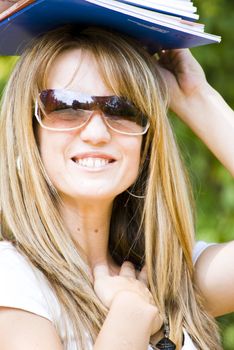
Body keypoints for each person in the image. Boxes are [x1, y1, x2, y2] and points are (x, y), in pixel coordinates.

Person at [0, 25, 228, 350]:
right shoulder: (12, 280)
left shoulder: (165, 276)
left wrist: (195, 97)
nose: (97, 132)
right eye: (66, 105)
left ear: (145, 142)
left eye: (122, 108)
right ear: (28, 132)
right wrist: (129, 316)